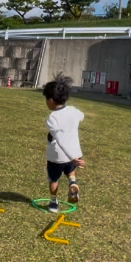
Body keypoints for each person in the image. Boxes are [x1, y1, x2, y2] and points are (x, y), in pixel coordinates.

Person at [43, 75, 85, 212]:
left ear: (50, 100)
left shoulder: (52, 118)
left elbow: (60, 139)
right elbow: (81, 116)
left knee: (53, 179)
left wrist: (71, 156)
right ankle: (72, 182)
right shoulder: (73, 111)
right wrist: (74, 157)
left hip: (57, 155)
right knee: (70, 170)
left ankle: (53, 203)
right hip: (74, 153)